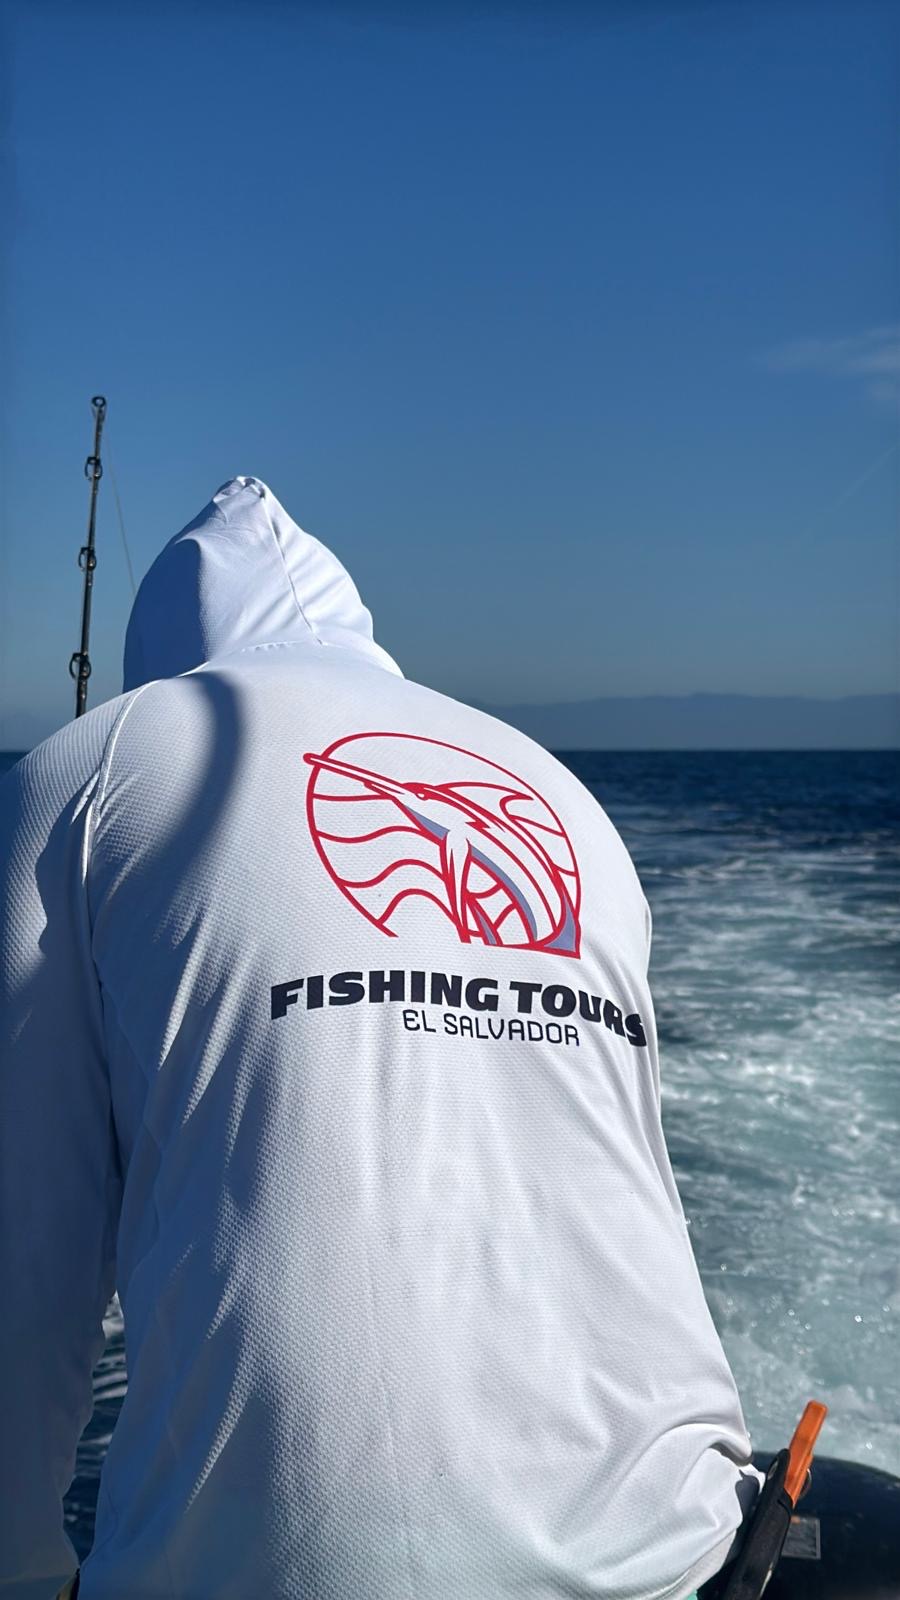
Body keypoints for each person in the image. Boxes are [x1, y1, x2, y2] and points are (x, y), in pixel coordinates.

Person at [0, 477, 759, 1599]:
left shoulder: (93, 766)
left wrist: (21, 1566)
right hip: (688, 1544)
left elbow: (28, 1250)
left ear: (155, 665)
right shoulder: (561, 792)